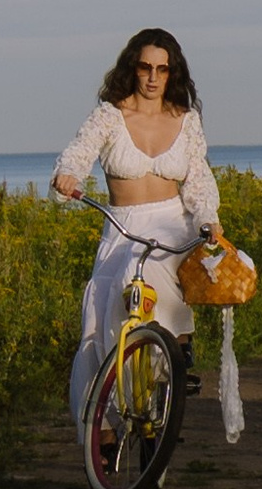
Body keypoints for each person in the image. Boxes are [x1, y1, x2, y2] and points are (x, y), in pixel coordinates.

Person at [53, 26, 242, 446]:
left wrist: (209, 216)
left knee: (157, 273)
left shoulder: (185, 120)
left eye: (162, 68)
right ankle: (101, 435)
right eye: (145, 67)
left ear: (173, 72)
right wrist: (68, 175)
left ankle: (176, 354)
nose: (154, 77)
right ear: (132, 68)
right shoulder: (110, 115)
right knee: (98, 328)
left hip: (173, 221)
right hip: (122, 229)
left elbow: (198, 176)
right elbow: (80, 151)